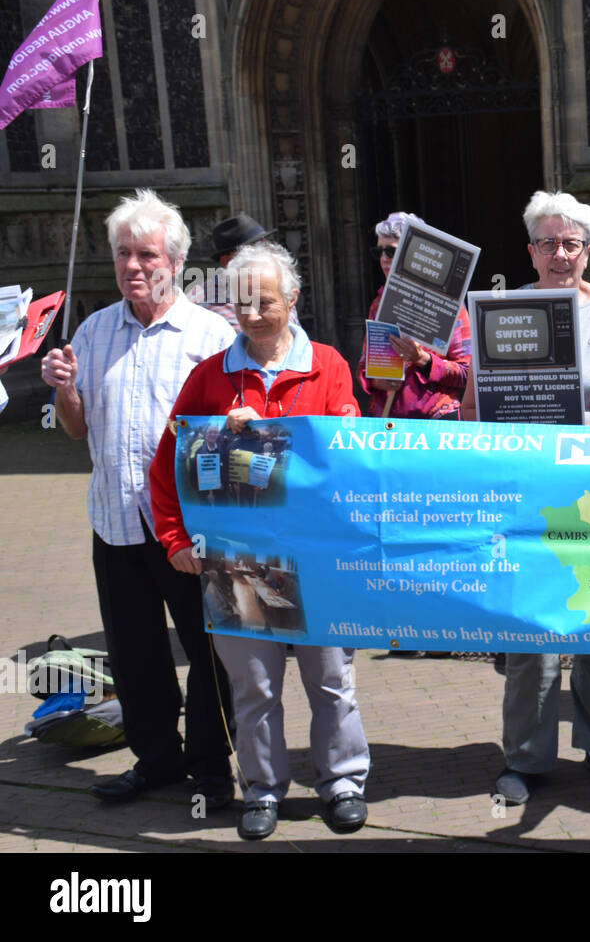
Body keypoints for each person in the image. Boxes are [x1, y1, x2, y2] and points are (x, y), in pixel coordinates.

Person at [149, 242, 370, 841]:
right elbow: (167, 465)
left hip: (318, 559)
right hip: (236, 560)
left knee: (330, 680)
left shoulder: (328, 366)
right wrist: (172, 538)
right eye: (240, 301)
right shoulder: (207, 379)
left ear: (293, 300)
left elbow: (347, 462)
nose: (250, 314)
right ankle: (264, 791)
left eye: (264, 301)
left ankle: (342, 783)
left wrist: (344, 436)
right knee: (255, 688)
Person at [39, 188, 236, 808]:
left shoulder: (210, 336)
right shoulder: (94, 333)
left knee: (210, 653)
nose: (132, 266)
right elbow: (78, 431)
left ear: (175, 262)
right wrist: (65, 391)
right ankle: (157, 759)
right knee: (135, 653)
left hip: (186, 530)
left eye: (146, 254)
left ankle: (210, 764)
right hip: (114, 521)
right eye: (123, 253)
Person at [462, 191, 590, 806]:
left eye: (572, 244)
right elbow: (472, 407)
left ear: (588, 251)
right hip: (529, 493)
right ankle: (527, 758)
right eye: (548, 243)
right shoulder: (503, 311)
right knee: (530, 631)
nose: (560, 254)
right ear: (531, 251)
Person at [357, 211, 471, 421]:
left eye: (391, 252)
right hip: (388, 422)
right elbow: (366, 369)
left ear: (415, 254)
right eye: (378, 251)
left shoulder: (449, 306)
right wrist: (377, 381)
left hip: (436, 422)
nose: (383, 259)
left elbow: (467, 373)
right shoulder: (379, 304)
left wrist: (423, 360)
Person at [187, 212, 299, 330]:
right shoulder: (200, 302)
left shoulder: (280, 286)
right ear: (227, 261)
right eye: (254, 250)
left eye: (266, 245)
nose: (266, 253)